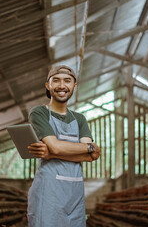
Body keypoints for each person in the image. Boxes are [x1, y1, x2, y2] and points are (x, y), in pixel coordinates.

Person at [26, 65, 101, 227]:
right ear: (48, 85)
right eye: (56, 80)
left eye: (67, 81)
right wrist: (88, 147)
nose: (62, 85)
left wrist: (51, 154)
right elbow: (59, 147)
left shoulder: (79, 119)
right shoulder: (39, 113)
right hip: (48, 195)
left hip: (75, 196)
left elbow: (93, 155)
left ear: (74, 86)